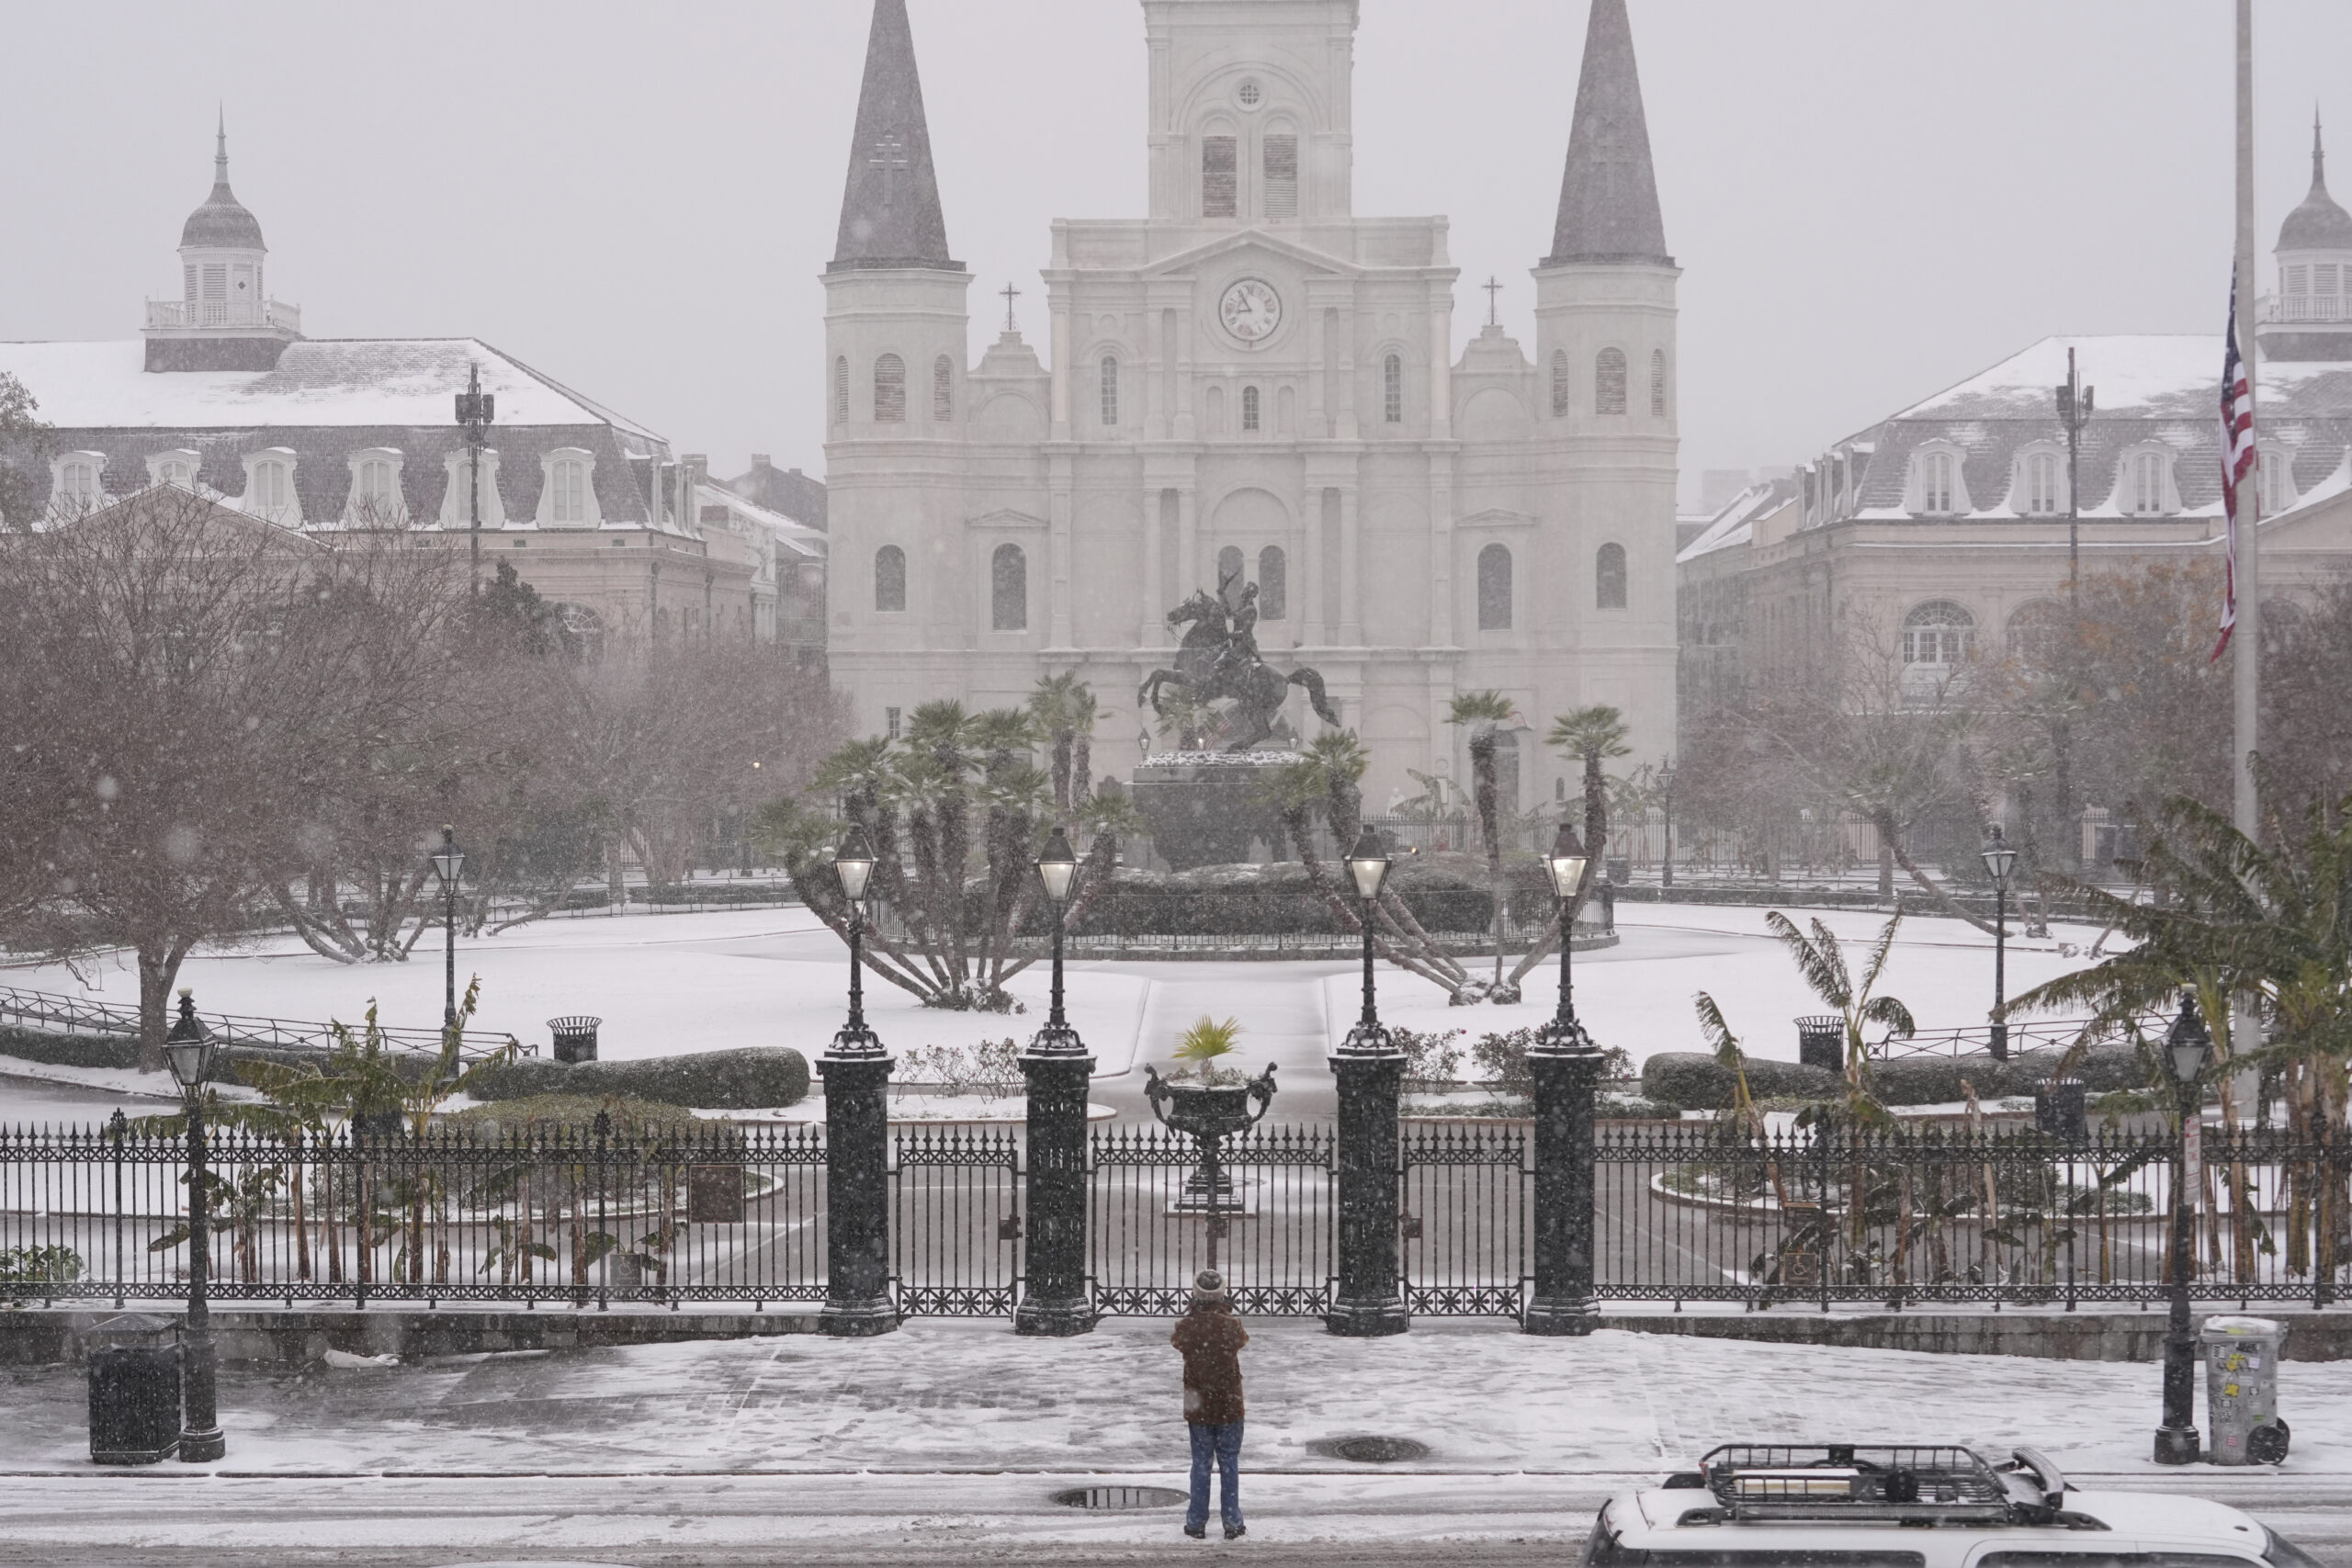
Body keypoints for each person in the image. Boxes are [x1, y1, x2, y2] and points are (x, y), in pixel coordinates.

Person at [1170, 1268, 1248, 1540]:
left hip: (1197, 1400)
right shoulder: (1231, 1326)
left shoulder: (1186, 1326)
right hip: (1228, 1400)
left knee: (1200, 1463)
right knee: (1229, 1461)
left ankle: (1196, 1521)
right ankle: (1232, 1521)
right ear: (1222, 1292)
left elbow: (1178, 1343)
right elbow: (1240, 1341)